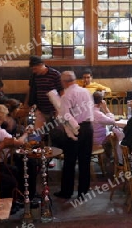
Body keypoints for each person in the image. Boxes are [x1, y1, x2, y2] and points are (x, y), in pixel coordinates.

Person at [54, 71, 94, 200]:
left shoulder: (67, 95)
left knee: (70, 161)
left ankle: (67, 192)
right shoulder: (85, 91)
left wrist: (74, 128)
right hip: (88, 127)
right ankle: (83, 192)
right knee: (85, 160)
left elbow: (66, 116)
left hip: (75, 128)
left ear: (63, 82)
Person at [24, 55, 63, 131]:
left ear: (41, 65)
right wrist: (26, 104)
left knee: (54, 132)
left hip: (53, 110)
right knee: (37, 132)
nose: (34, 71)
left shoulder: (55, 74)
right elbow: (30, 90)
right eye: (32, 69)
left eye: (35, 69)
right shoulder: (34, 76)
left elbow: (62, 91)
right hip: (40, 109)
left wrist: (59, 110)